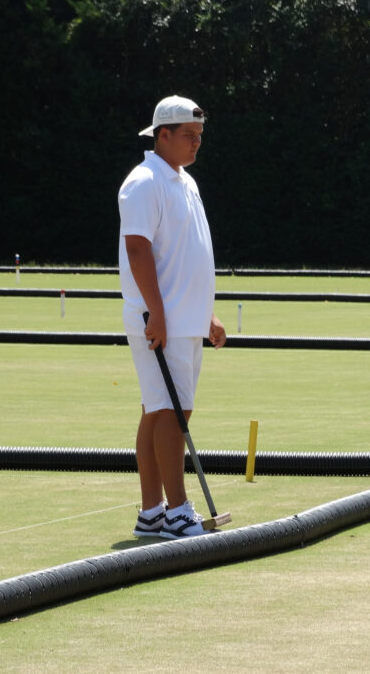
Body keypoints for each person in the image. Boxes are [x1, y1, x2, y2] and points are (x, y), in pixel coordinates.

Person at [118, 95, 227, 539]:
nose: (196, 144)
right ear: (161, 134)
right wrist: (157, 315)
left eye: (199, 136)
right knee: (172, 410)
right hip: (159, 317)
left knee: (157, 409)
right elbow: (138, 249)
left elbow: (187, 255)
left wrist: (207, 314)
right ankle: (178, 511)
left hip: (183, 317)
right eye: (188, 136)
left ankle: (152, 513)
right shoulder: (144, 182)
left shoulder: (185, 181)